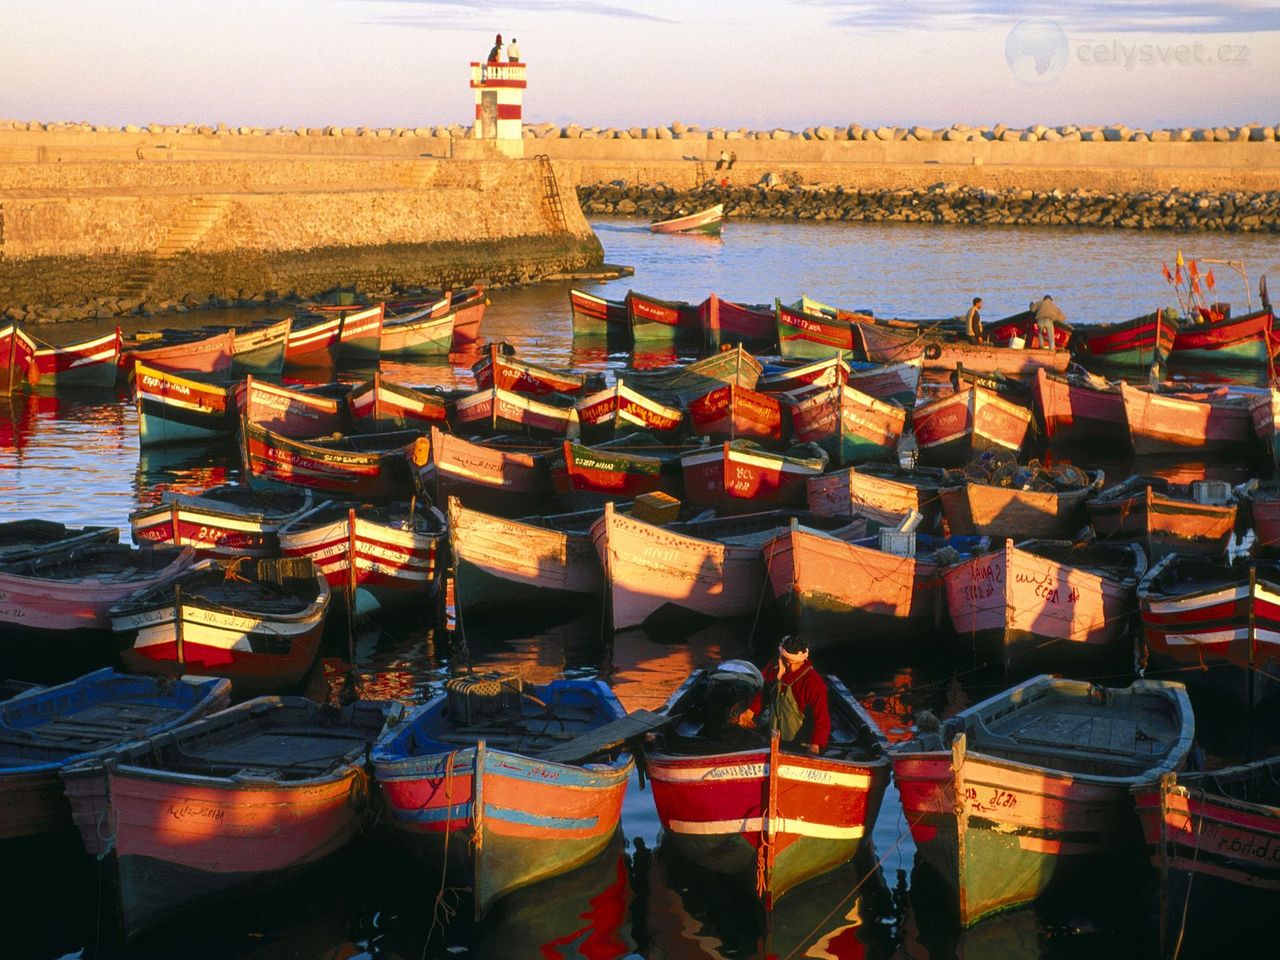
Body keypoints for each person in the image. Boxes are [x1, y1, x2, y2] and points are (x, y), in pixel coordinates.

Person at [734, 635, 830, 754]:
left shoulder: (813, 682)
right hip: (775, 739)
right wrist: (751, 710)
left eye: (795, 663)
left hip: (800, 744)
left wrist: (815, 745)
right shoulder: (775, 667)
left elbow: (822, 717)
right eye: (787, 662)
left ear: (803, 660)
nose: (790, 667)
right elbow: (764, 691)